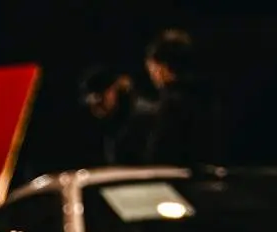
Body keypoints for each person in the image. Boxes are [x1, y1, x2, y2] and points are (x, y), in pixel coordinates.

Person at [138, 29, 221, 166]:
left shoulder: (172, 103)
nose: (151, 75)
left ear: (161, 67)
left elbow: (160, 155)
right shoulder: (209, 97)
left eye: (152, 68)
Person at [78, 65, 151, 167]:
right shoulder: (107, 122)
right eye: (93, 102)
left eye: (101, 96)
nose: (97, 105)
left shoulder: (142, 116)